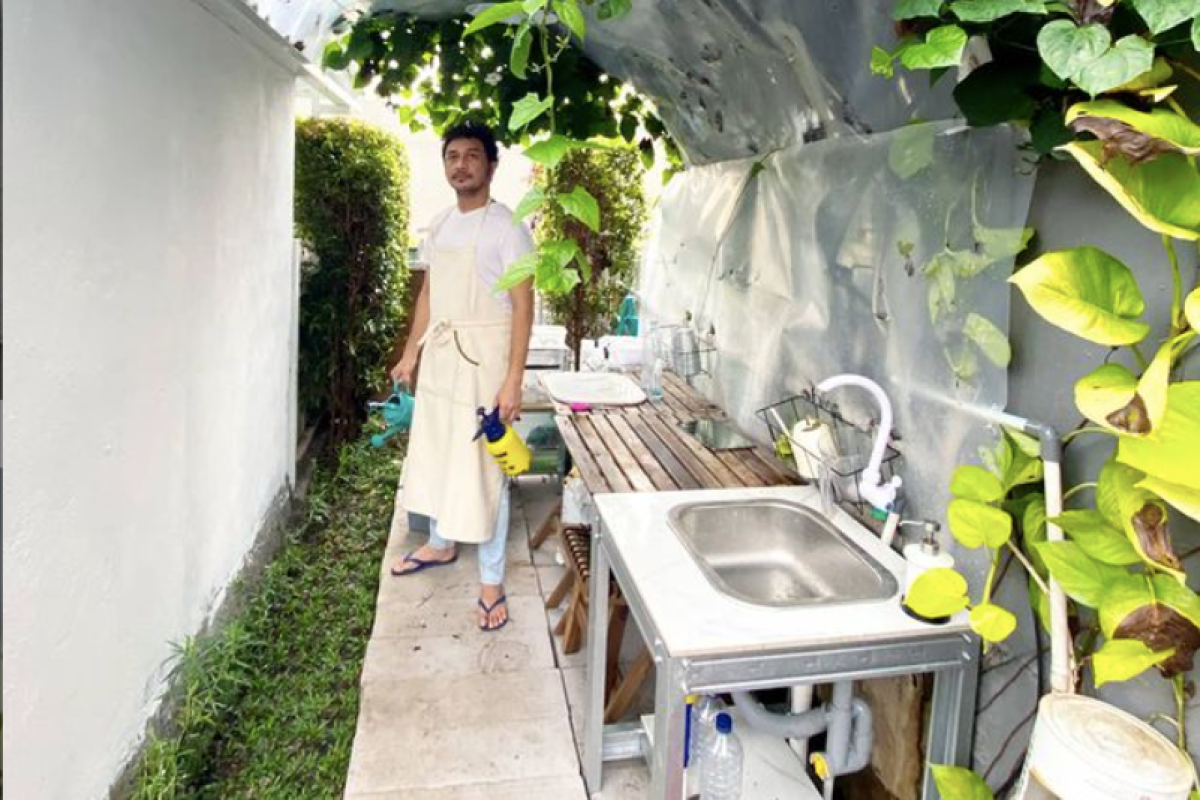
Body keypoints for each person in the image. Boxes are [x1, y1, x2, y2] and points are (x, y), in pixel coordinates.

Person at [389, 121, 535, 632]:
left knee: (484, 465)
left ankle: (492, 581)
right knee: (437, 451)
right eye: (452, 156)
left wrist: (513, 378)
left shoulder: (507, 227)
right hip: (444, 356)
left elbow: (523, 306)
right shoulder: (440, 224)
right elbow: (429, 295)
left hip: (487, 355)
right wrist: (411, 354)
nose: (461, 165)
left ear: (491, 166)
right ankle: (441, 541)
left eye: (472, 156)